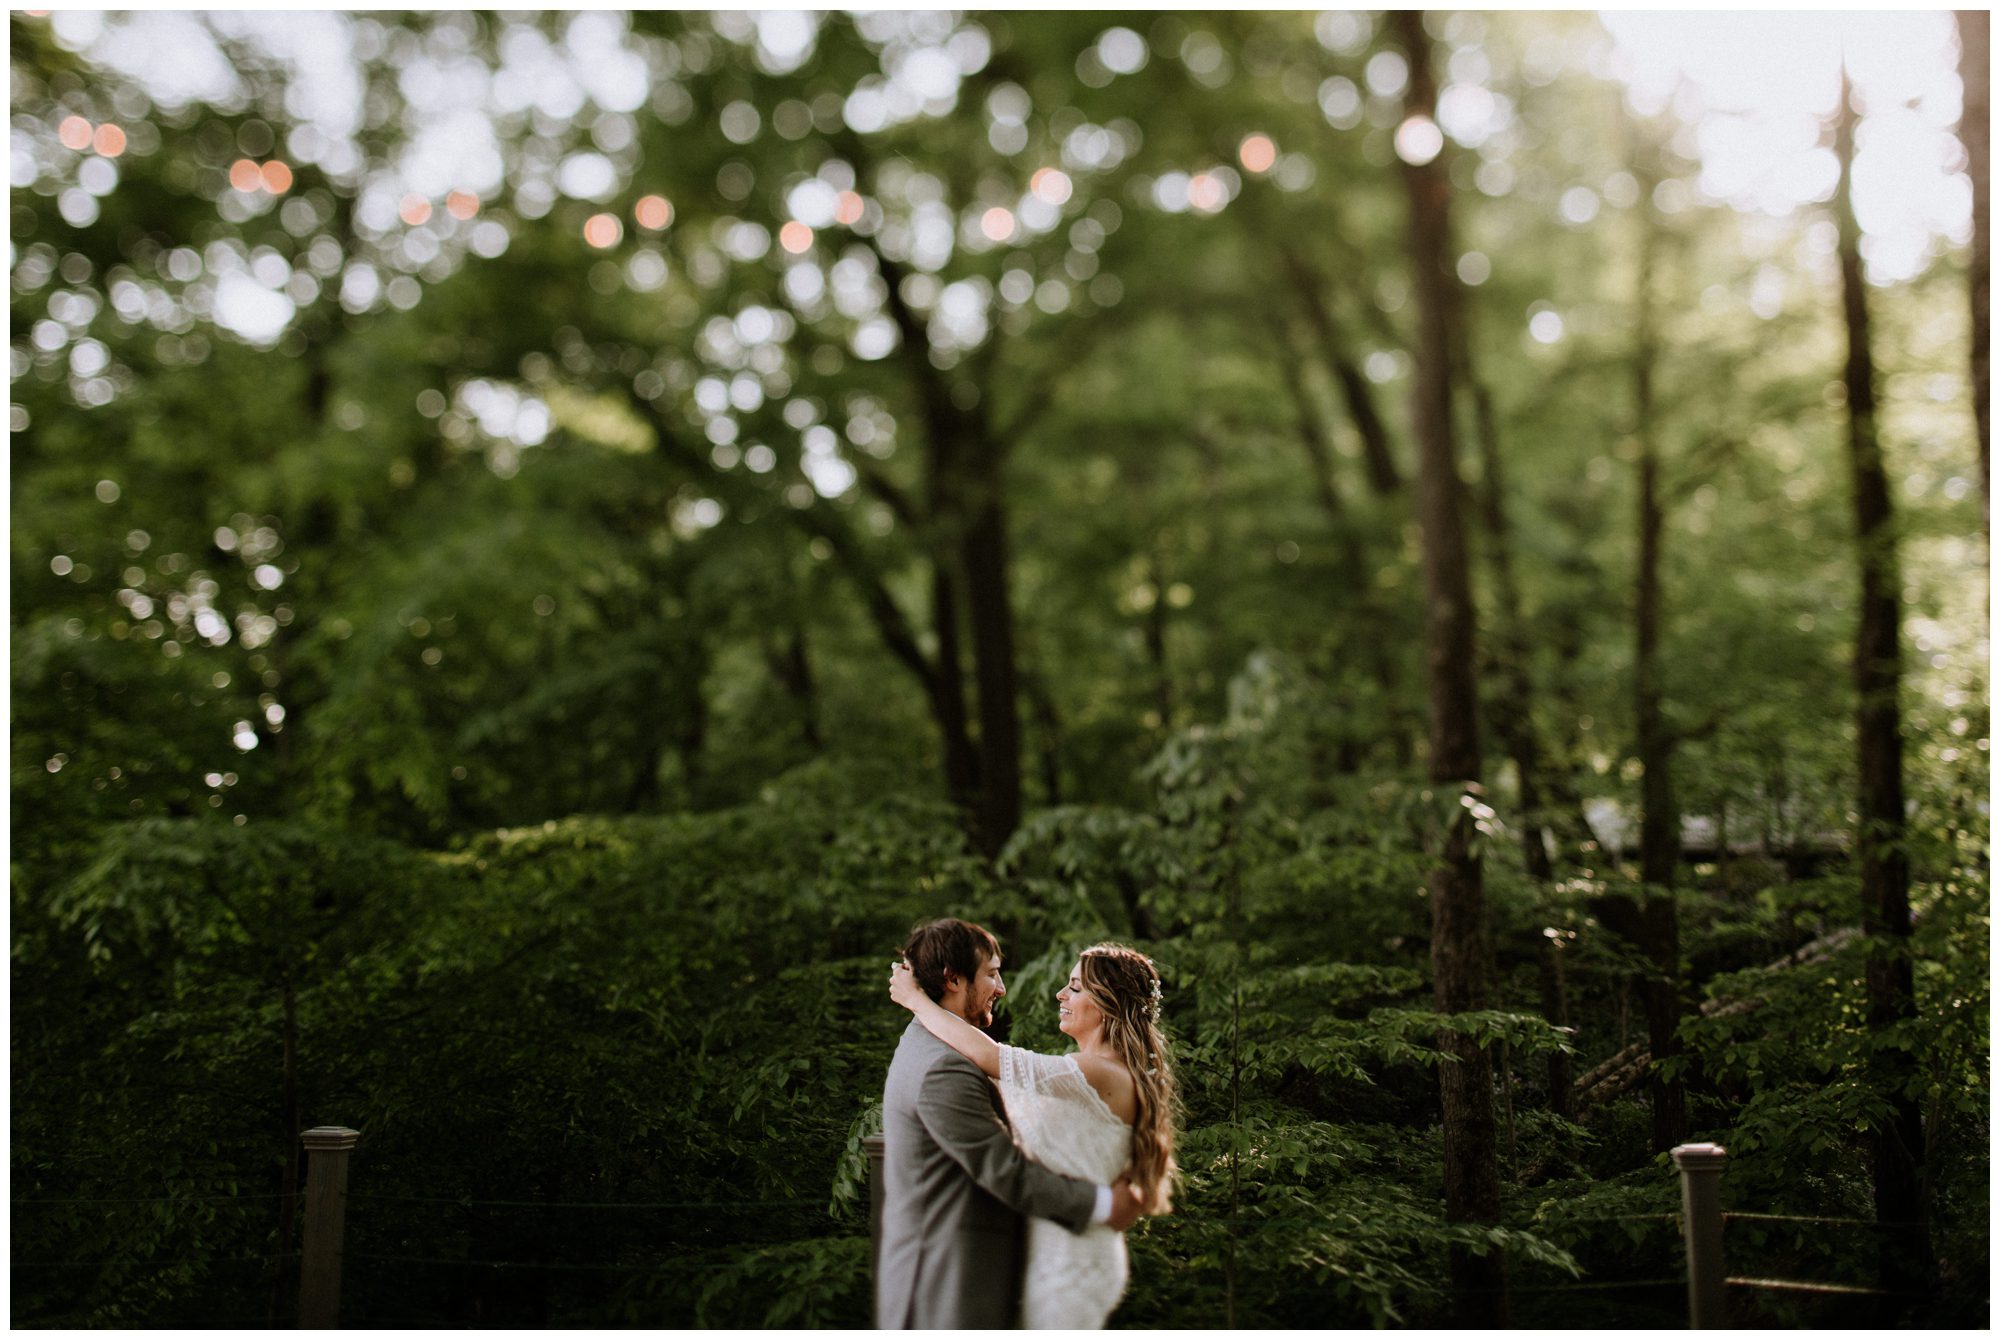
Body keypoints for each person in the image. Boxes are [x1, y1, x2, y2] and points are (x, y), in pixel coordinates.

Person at [888, 935, 1177, 1329]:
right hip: (1058, 1248)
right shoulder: (1084, 1073)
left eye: (1074, 988)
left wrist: (916, 1000)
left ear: (1108, 1003)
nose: (1060, 994)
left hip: (1072, 1261)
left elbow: (990, 1058)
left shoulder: (1095, 1073)